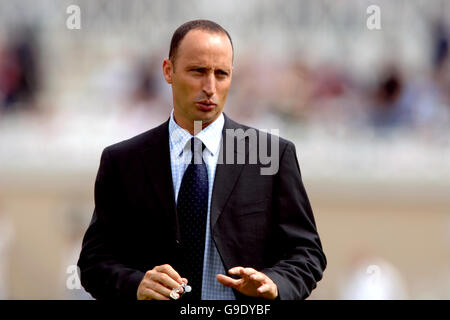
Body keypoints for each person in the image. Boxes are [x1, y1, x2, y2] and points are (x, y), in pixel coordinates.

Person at [77, 19, 326, 300]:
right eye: (198, 71)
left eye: (221, 74)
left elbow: (307, 254)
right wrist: (136, 285)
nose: (210, 86)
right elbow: (94, 262)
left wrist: (275, 284)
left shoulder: (270, 154)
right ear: (168, 71)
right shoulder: (123, 161)